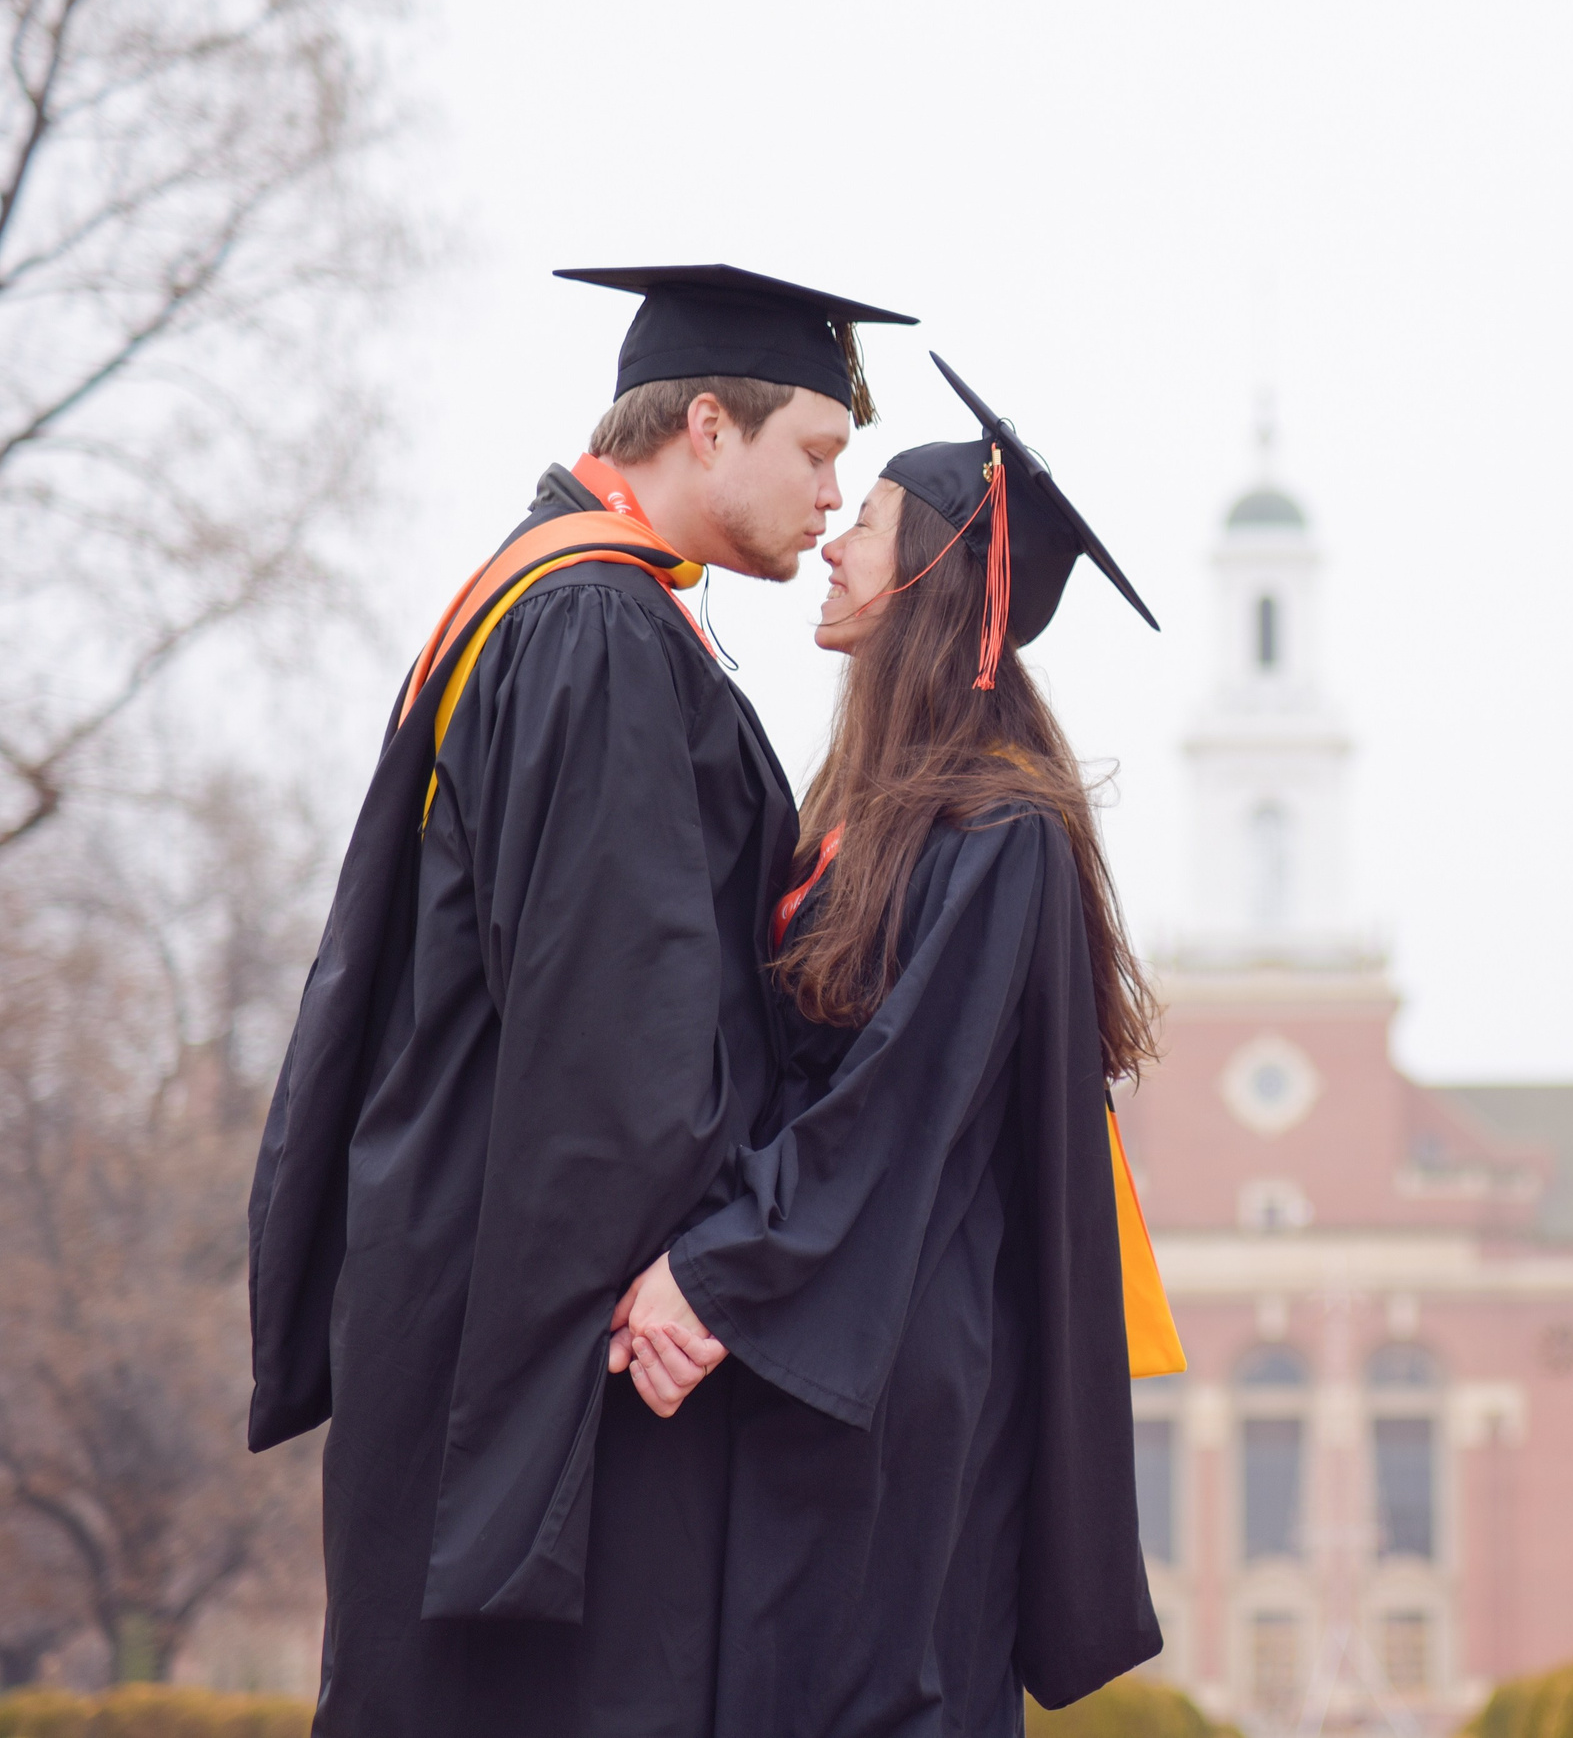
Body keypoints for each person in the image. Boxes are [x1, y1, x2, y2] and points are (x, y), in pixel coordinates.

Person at [245, 264, 913, 1735]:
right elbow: (628, 1030)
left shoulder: (556, 599)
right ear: (707, 427)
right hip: (567, 1332)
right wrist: (714, 1274)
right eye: (815, 453)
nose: (831, 498)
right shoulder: (594, 629)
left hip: (479, 1275)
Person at [602, 353, 1183, 1735]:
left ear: (929, 572)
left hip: (898, 1364)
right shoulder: (865, 813)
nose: (831, 538)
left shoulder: (1003, 836)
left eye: (860, 525)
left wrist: (716, 1273)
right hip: (811, 1345)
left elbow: (896, 1104)